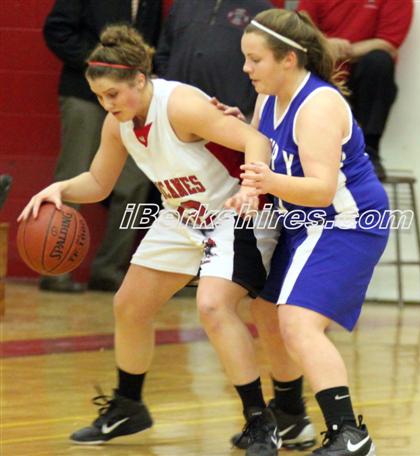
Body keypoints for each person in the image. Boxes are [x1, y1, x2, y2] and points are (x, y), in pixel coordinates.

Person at [18, 25, 285, 456]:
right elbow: (99, 182)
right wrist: (60, 189)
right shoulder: (118, 123)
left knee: (213, 307)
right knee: (129, 305)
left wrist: (252, 189)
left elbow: (255, 140)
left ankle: (259, 420)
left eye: (113, 94)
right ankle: (129, 406)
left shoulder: (180, 105)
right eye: (99, 97)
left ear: (140, 80)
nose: (107, 104)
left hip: (233, 212)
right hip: (182, 215)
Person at [225, 9, 390, 455]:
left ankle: (349, 434)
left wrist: (267, 182)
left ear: (288, 59)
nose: (246, 68)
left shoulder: (317, 105)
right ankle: (291, 416)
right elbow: (259, 150)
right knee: (265, 309)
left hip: (347, 222)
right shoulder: (268, 97)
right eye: (245, 58)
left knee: (298, 322)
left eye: (255, 59)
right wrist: (249, 184)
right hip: (304, 222)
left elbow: (321, 190)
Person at [41, 0, 163, 292]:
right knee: (73, 176)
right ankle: (55, 270)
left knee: (134, 183)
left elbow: (151, 45)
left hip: (132, 102)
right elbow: (56, 30)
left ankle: (109, 270)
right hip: (84, 95)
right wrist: (101, 68)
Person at [297, 0, 413, 180]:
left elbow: (388, 44)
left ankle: (369, 153)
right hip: (323, 70)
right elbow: (301, 31)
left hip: (362, 80)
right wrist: (324, 46)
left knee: (379, 61)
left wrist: (345, 50)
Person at [154, 0, 273, 119]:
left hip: (231, 115)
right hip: (176, 109)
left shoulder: (261, 10)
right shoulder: (183, 4)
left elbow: (270, 66)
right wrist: (170, 81)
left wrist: (246, 103)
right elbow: (163, 52)